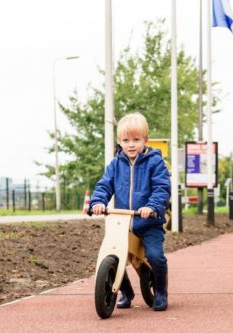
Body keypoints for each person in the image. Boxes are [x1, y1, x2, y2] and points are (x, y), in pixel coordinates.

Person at [90, 113, 171, 311]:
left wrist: (151, 207)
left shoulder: (155, 163)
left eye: (136, 140)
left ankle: (161, 291)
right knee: (112, 254)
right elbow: (104, 185)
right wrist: (98, 201)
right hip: (123, 222)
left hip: (149, 222)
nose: (131, 145)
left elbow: (161, 189)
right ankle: (125, 291)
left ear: (145, 141)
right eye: (126, 140)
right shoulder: (115, 165)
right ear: (119, 142)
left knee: (155, 255)